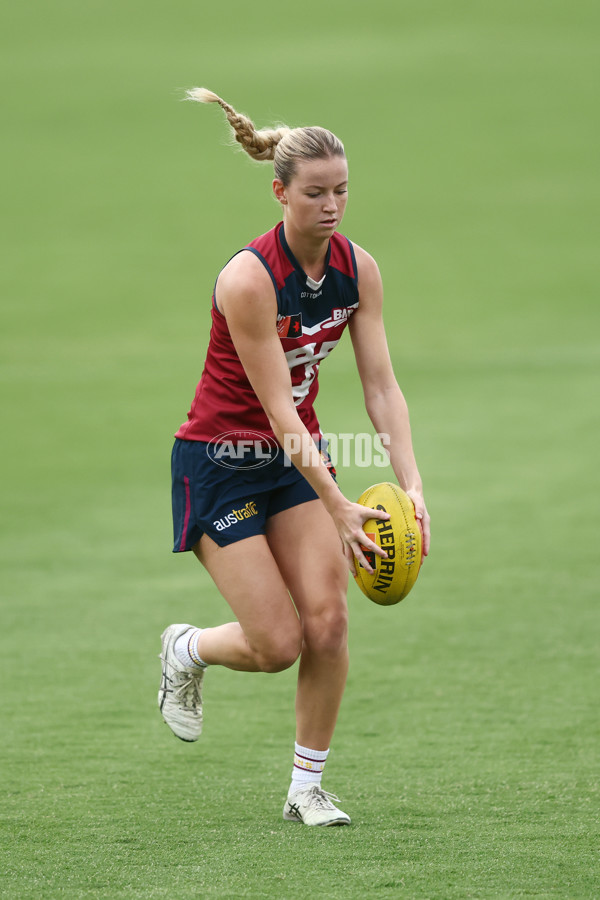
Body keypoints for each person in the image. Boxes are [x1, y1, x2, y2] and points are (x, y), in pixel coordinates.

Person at [158, 88, 431, 827]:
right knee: (277, 644)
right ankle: (187, 649)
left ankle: (305, 788)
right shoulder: (249, 280)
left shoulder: (357, 269)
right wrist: (339, 503)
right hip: (219, 461)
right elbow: (278, 413)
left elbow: (381, 386)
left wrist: (411, 485)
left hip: (294, 465)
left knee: (330, 623)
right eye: (316, 193)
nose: (333, 205)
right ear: (280, 192)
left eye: (342, 190)